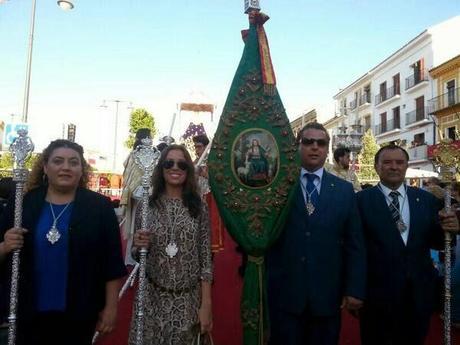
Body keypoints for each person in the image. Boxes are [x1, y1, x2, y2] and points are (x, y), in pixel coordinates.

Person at [0, 139, 127, 345]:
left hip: (80, 310)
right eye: (58, 161)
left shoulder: (99, 207)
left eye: (73, 162)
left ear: (81, 169)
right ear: (45, 166)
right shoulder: (24, 203)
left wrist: (111, 307)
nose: (65, 167)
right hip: (28, 309)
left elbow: (111, 261)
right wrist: (6, 246)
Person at [267, 122, 366, 345]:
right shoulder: (278, 186)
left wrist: (355, 288)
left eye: (321, 143)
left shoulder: (344, 191)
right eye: (308, 142)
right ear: (297, 146)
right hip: (285, 295)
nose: (314, 147)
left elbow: (354, 244)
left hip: (327, 297)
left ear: (327, 148)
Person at [356, 144, 459, 345]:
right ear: (376, 167)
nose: (394, 166)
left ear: (406, 166)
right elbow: (354, 248)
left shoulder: (425, 199)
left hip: (418, 293)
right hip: (376, 295)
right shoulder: (360, 201)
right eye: (387, 162)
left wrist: (451, 230)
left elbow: (437, 241)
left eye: (399, 162)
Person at [129, 144, 212, 344]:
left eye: (182, 164)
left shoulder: (199, 207)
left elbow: (206, 259)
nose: (175, 168)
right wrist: (139, 246)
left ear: (188, 170)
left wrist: (206, 304)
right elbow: (137, 253)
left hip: (187, 300)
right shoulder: (146, 205)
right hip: (151, 298)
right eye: (169, 163)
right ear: (161, 168)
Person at [119, 128, 151, 266]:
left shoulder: (133, 154)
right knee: (140, 226)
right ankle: (135, 257)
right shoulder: (142, 155)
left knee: (136, 226)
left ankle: (132, 258)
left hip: (137, 192)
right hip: (141, 194)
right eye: (150, 137)